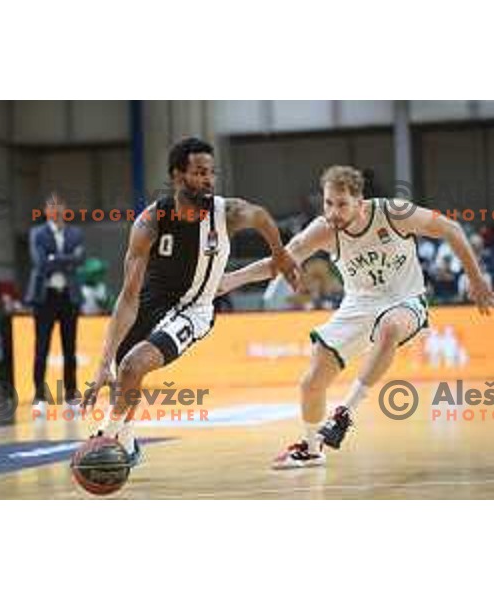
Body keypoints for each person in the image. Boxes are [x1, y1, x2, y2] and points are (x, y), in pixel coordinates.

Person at [218, 165, 494, 468]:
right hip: (358, 305)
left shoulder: (394, 213)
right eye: (327, 203)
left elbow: (451, 229)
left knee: (390, 326)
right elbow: (280, 261)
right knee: (311, 383)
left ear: (359, 203)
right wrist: (230, 280)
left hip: (405, 299)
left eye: (341, 204)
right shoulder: (324, 229)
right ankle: (311, 448)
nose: (333, 212)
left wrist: (477, 279)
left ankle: (345, 413)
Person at [83, 137, 298, 465]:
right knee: (120, 373)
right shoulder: (150, 221)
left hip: (194, 310)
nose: (208, 180)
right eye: (199, 172)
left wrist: (280, 254)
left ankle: (105, 438)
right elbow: (128, 297)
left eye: (211, 173)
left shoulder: (226, 213)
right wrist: (102, 363)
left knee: (132, 365)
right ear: (177, 176)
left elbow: (261, 217)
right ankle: (126, 443)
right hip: (151, 301)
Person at [25, 192, 85, 404]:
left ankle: (71, 393)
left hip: (68, 296)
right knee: (41, 347)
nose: (57, 209)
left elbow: (80, 260)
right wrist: (66, 259)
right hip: (45, 296)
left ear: (65, 209)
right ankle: (40, 395)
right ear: (46, 210)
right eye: (52, 205)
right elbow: (40, 262)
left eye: (60, 205)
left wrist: (55, 258)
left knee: (70, 347)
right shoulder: (37, 233)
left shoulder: (75, 233)